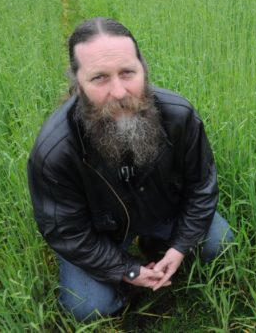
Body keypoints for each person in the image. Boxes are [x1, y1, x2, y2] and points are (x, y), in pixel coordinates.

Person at [27, 17, 234, 321]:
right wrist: (128, 269)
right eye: (99, 78)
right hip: (102, 234)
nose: (120, 92)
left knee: (220, 242)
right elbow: (67, 231)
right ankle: (125, 291)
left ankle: (158, 247)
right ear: (78, 84)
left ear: (143, 68)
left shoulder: (179, 116)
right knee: (87, 307)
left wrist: (178, 248)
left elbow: (201, 187)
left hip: (163, 213)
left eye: (127, 72)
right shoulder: (54, 152)